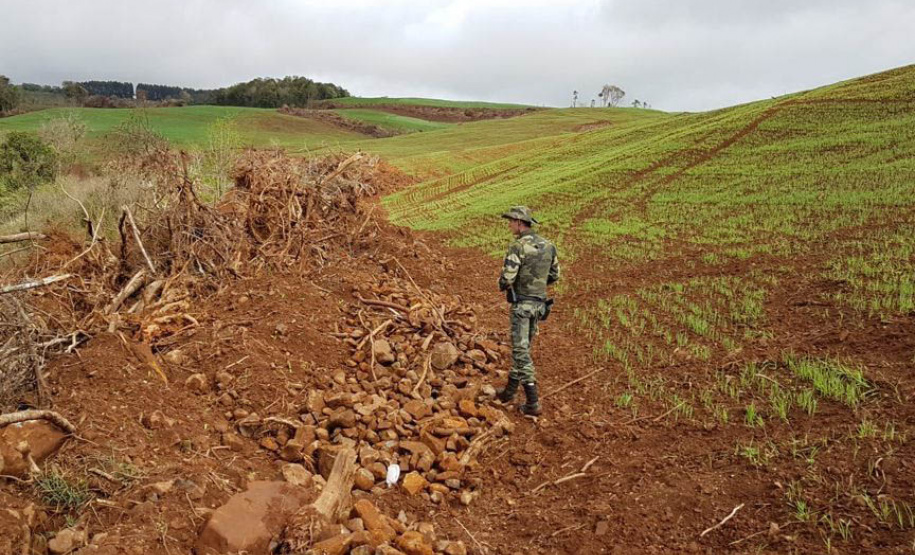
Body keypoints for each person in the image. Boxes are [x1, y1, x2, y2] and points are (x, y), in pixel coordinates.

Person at [496, 205, 560, 416]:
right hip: (539, 306)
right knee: (524, 346)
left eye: (511, 222)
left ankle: (533, 402)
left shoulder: (518, 246)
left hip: (522, 305)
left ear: (519, 223)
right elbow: (554, 275)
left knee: (521, 351)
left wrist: (505, 284)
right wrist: (536, 284)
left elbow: (507, 278)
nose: (509, 225)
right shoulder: (549, 246)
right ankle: (509, 392)